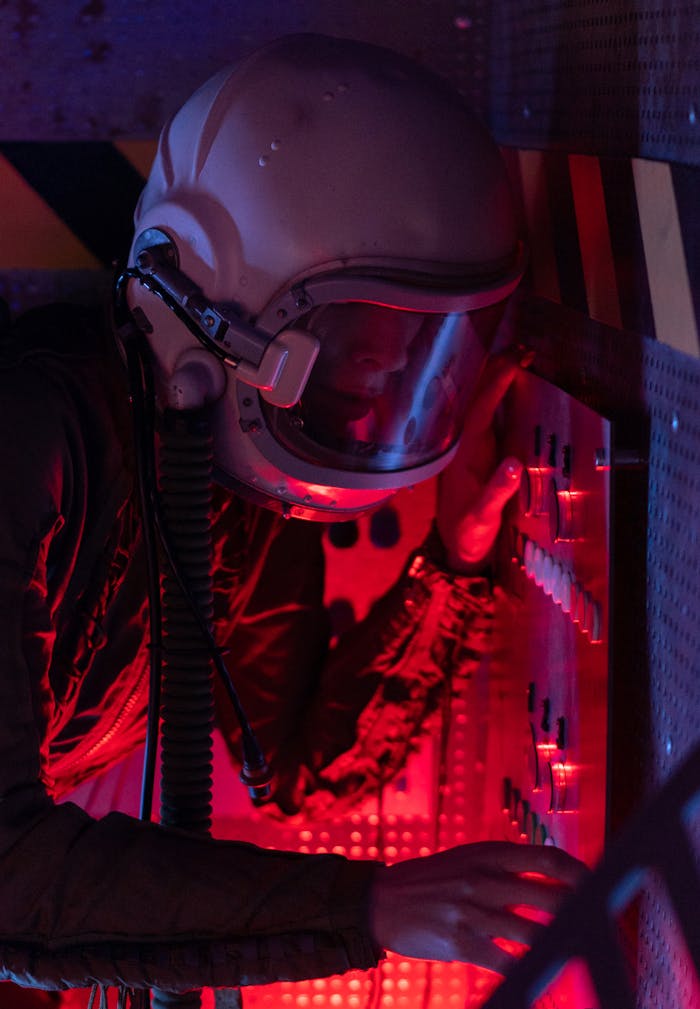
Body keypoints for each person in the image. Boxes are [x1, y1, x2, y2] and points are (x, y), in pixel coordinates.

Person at [0, 33, 584, 1002]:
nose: (383, 377)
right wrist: (364, 909)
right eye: (357, 330)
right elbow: (12, 882)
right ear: (209, 287)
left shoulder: (222, 477)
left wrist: (452, 557)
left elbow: (299, 765)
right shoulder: (32, 436)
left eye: (423, 346)